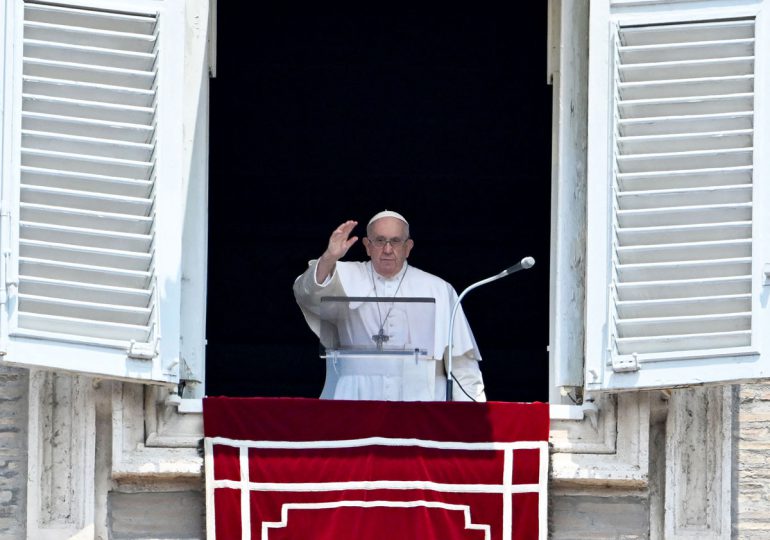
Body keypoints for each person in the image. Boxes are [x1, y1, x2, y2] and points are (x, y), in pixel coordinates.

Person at [293, 210, 486, 402]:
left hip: (421, 401)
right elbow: (306, 292)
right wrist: (329, 257)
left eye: (395, 241)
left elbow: (463, 367)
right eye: (379, 240)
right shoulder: (341, 275)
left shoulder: (439, 289)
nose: (387, 249)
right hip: (356, 398)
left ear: (408, 246)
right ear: (367, 246)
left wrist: (472, 420)